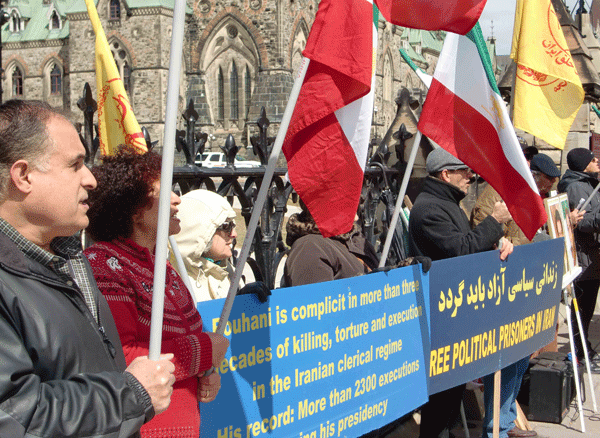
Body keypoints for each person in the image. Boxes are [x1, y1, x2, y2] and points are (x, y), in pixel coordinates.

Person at [0, 99, 175, 437]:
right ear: (23, 176)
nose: (91, 179)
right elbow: (13, 418)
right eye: (75, 164)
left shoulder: (69, 258)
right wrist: (130, 396)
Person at [84, 149, 229, 437]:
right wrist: (202, 352)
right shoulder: (105, 264)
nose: (177, 199)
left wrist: (207, 373)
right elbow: (119, 357)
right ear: (135, 209)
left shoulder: (159, 266)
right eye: (165, 192)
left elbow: (178, 341)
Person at [408, 147, 513, 438]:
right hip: (440, 316)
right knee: (440, 399)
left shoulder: (448, 203)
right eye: (463, 170)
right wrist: (495, 221)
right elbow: (461, 249)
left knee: (451, 394)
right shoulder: (429, 209)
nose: (470, 176)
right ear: (446, 174)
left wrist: (499, 244)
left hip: (455, 312)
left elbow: (469, 245)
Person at [471, 154, 565, 438]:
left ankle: (508, 418)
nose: (546, 192)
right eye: (545, 185)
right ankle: (497, 425)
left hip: (528, 282)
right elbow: (481, 227)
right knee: (505, 358)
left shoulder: (535, 196)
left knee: (523, 353)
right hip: (505, 284)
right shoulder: (498, 191)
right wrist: (504, 241)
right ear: (533, 175)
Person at [557, 148, 600, 368]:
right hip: (581, 260)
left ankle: (585, 348)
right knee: (580, 311)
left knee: (588, 309)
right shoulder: (574, 186)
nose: (597, 160)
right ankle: (579, 353)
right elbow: (580, 222)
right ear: (582, 164)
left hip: (593, 259)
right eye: (592, 159)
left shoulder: (591, 183)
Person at [284, 202, 380, 286]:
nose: (356, 218)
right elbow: (317, 304)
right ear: (328, 207)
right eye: (348, 206)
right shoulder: (309, 249)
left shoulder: (355, 238)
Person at [172, 189, 238, 302]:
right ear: (198, 232)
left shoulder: (226, 270)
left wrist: (245, 298)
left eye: (233, 225)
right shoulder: (173, 282)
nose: (234, 234)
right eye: (226, 226)